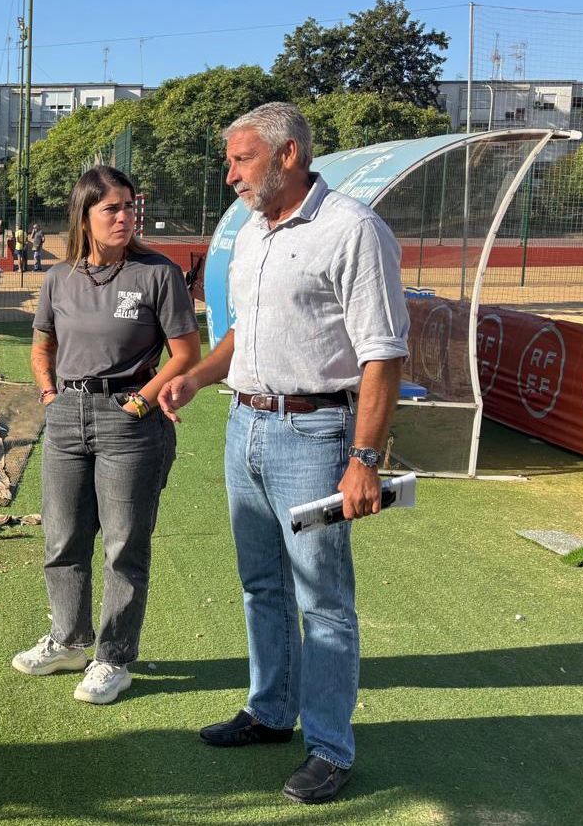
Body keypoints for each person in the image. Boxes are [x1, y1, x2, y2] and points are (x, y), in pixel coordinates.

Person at [158, 103, 409, 804]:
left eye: (241, 160)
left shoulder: (352, 230)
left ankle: (329, 748)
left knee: (323, 601)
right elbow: (243, 334)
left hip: (315, 435)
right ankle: (270, 711)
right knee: (260, 584)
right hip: (246, 428)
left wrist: (365, 456)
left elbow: (382, 353)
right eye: (230, 161)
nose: (229, 175)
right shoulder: (251, 235)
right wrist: (197, 376)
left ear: (288, 155)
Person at [14, 165, 201, 706]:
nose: (124, 217)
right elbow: (42, 346)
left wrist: (143, 400)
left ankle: (113, 658)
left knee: (123, 546)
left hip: (130, 419)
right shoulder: (59, 278)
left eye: (129, 206)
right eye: (111, 209)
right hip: (67, 416)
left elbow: (185, 354)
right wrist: (49, 395)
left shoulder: (157, 274)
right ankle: (69, 640)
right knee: (62, 538)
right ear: (85, 216)